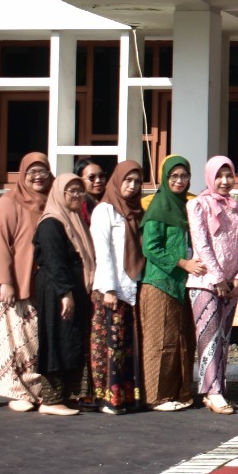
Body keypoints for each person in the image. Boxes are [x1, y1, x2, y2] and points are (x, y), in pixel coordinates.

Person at [0, 152, 53, 412]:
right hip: (15, 285)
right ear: (22, 175)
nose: (38, 177)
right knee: (16, 342)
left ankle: (37, 391)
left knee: (36, 341)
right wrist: (5, 281)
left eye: (43, 171)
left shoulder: (53, 201)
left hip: (43, 283)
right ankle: (17, 392)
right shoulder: (9, 202)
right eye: (31, 172)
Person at [31, 173, 94, 416]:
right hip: (56, 291)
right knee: (57, 340)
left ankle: (67, 395)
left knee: (70, 340)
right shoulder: (51, 223)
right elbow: (54, 261)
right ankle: (51, 399)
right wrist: (65, 293)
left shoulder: (74, 220)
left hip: (71, 289)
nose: (77, 195)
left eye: (80, 190)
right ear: (59, 193)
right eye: (72, 191)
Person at [138, 155, 199, 411]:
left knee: (182, 339)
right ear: (165, 178)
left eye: (184, 176)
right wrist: (182, 263)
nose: (179, 181)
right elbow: (151, 248)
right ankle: (157, 396)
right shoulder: (158, 207)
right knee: (159, 341)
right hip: (160, 283)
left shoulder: (188, 206)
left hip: (184, 285)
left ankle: (179, 392)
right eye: (174, 176)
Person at [88, 158, 144, 414]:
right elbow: (103, 252)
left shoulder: (136, 211)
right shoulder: (105, 210)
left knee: (126, 346)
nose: (132, 186)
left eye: (137, 181)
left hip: (131, 287)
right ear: (117, 181)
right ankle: (109, 399)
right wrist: (109, 289)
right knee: (111, 346)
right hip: (112, 288)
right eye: (127, 180)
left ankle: (126, 398)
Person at [188, 155, 238, 415]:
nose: (224, 181)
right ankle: (212, 391)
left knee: (223, 337)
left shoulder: (237, 208)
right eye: (219, 176)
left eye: (229, 175)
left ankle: (218, 388)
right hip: (205, 282)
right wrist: (218, 277)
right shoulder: (197, 205)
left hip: (229, 285)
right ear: (210, 177)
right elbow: (201, 243)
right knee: (208, 337)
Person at [77, 158, 107, 224]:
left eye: (101, 176)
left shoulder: (111, 201)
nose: (98, 180)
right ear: (80, 180)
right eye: (92, 177)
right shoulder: (78, 206)